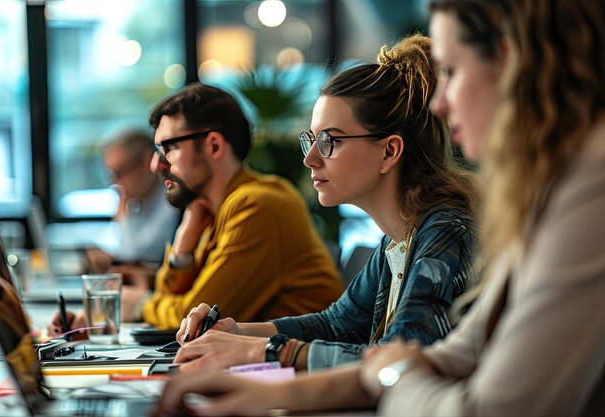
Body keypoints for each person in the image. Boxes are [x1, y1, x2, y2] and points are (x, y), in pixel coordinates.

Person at [154, 0, 605, 416]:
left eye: (451, 70)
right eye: (312, 140)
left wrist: (268, 355)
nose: (442, 103)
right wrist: (243, 341)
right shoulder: (407, 235)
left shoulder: (460, 224)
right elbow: (360, 330)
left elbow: (422, 366)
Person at [169, 34, 479, 373]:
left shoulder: (445, 231)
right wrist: (237, 332)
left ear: (389, 151)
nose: (311, 159)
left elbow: (399, 364)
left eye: (329, 140)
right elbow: (338, 323)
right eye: (311, 140)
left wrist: (262, 352)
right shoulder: (400, 237)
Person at [120, 82, 344, 327]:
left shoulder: (257, 206)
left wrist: (141, 304)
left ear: (214, 145)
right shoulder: (214, 209)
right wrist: (183, 251)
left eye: (170, 147)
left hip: (299, 362)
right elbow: (174, 301)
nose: (156, 165)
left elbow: (195, 319)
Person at [85, 129, 180, 283]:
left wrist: (123, 214)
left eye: (119, 172)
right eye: (110, 175)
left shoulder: (171, 201)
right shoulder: (140, 202)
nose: (114, 183)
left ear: (147, 160)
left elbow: (137, 253)